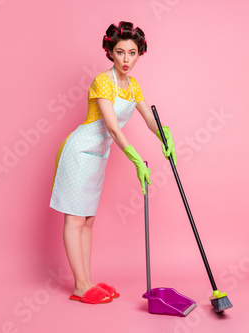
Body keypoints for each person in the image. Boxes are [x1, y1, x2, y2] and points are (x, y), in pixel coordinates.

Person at [49, 21, 177, 304]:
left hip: (98, 157)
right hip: (79, 152)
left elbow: (148, 119)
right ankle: (80, 286)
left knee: (89, 221)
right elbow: (113, 128)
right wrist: (135, 160)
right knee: (75, 218)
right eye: (120, 52)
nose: (126, 59)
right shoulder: (102, 80)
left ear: (139, 54)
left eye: (132, 53)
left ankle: (88, 281)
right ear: (110, 52)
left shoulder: (133, 86)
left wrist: (164, 136)